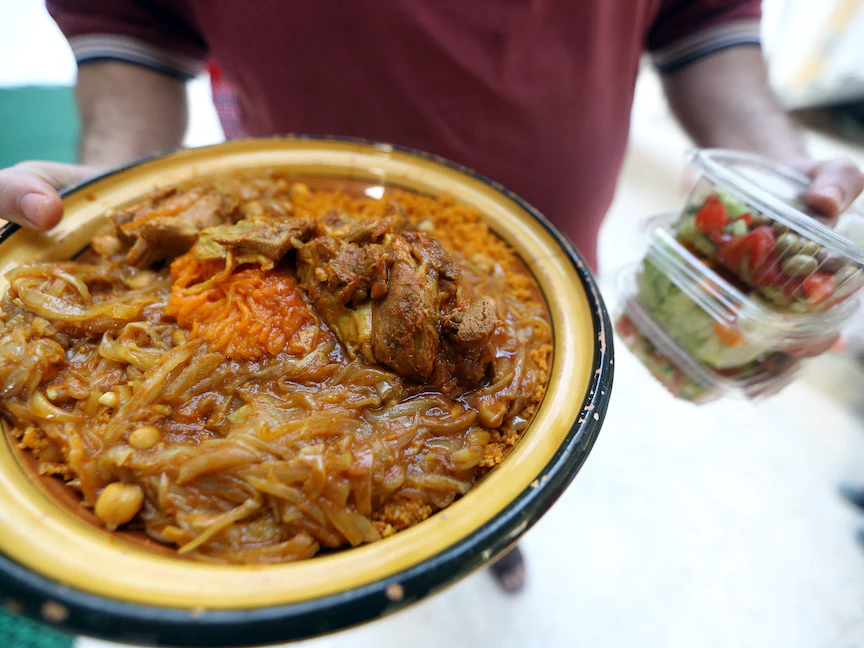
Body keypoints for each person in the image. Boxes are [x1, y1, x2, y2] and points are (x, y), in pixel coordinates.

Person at [1, 0, 863, 593]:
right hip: (294, 204)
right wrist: (120, 177)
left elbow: (705, 17)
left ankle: (498, 546)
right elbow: (128, 20)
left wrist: (780, 198)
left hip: (542, 262)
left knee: (518, 453)